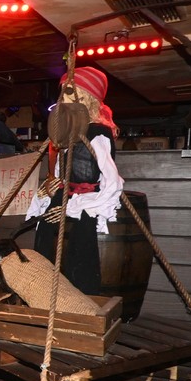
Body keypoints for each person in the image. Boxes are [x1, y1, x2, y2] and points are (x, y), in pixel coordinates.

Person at [26, 66, 123, 295]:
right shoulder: (67, 134)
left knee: (78, 259)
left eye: (69, 92)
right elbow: (63, 175)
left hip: (84, 206)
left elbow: (113, 183)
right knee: (44, 243)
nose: (63, 99)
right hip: (63, 199)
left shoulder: (97, 134)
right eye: (62, 92)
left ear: (87, 97)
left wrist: (72, 209)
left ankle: (77, 297)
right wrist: (48, 189)